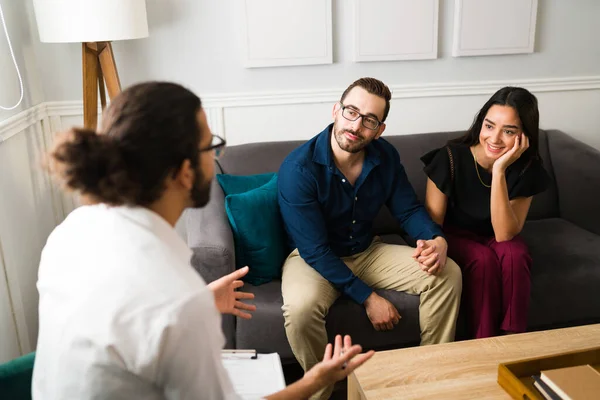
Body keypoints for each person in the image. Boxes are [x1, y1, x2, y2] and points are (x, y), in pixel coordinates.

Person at [32, 82, 374, 400]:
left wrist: (200, 298)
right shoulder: (176, 299)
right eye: (211, 146)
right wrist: (316, 380)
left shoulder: (72, 230)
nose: (217, 157)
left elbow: (122, 321)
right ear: (185, 171)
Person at [277, 77, 462, 399]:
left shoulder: (385, 156)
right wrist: (369, 298)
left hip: (367, 250)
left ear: (380, 129)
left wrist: (436, 238)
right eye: (351, 112)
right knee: (300, 308)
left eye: (369, 120)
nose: (356, 125)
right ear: (336, 110)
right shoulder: (298, 168)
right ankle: (320, 391)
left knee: (447, 273)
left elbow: (407, 210)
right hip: (314, 260)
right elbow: (315, 250)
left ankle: (430, 378)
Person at [421, 86, 550, 339]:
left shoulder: (527, 167)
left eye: (509, 131)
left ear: (524, 136)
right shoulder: (450, 158)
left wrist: (500, 169)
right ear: (481, 124)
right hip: (452, 235)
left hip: (496, 236)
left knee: (515, 253)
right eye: (489, 126)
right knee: (483, 260)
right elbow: (431, 226)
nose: (495, 138)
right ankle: (484, 342)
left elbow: (504, 235)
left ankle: (513, 339)